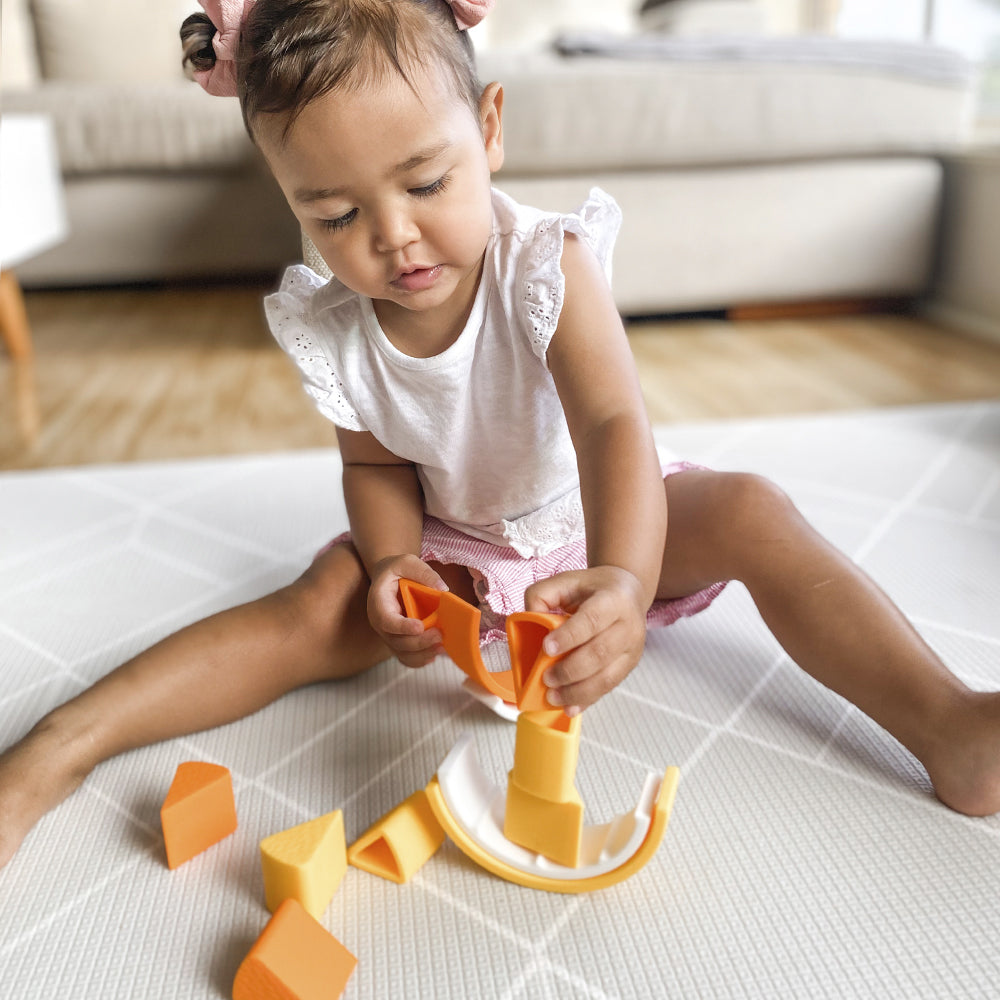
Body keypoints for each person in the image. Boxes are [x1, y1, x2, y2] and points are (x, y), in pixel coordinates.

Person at [1, 0, 998, 873]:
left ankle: (947, 723)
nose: (391, 237)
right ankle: (59, 745)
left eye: (426, 184)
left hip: (598, 517)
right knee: (314, 604)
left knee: (750, 508)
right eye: (336, 213)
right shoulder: (335, 329)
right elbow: (376, 464)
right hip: (454, 554)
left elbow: (613, 424)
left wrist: (624, 574)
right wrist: (395, 563)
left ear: (487, 131)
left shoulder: (543, 266)